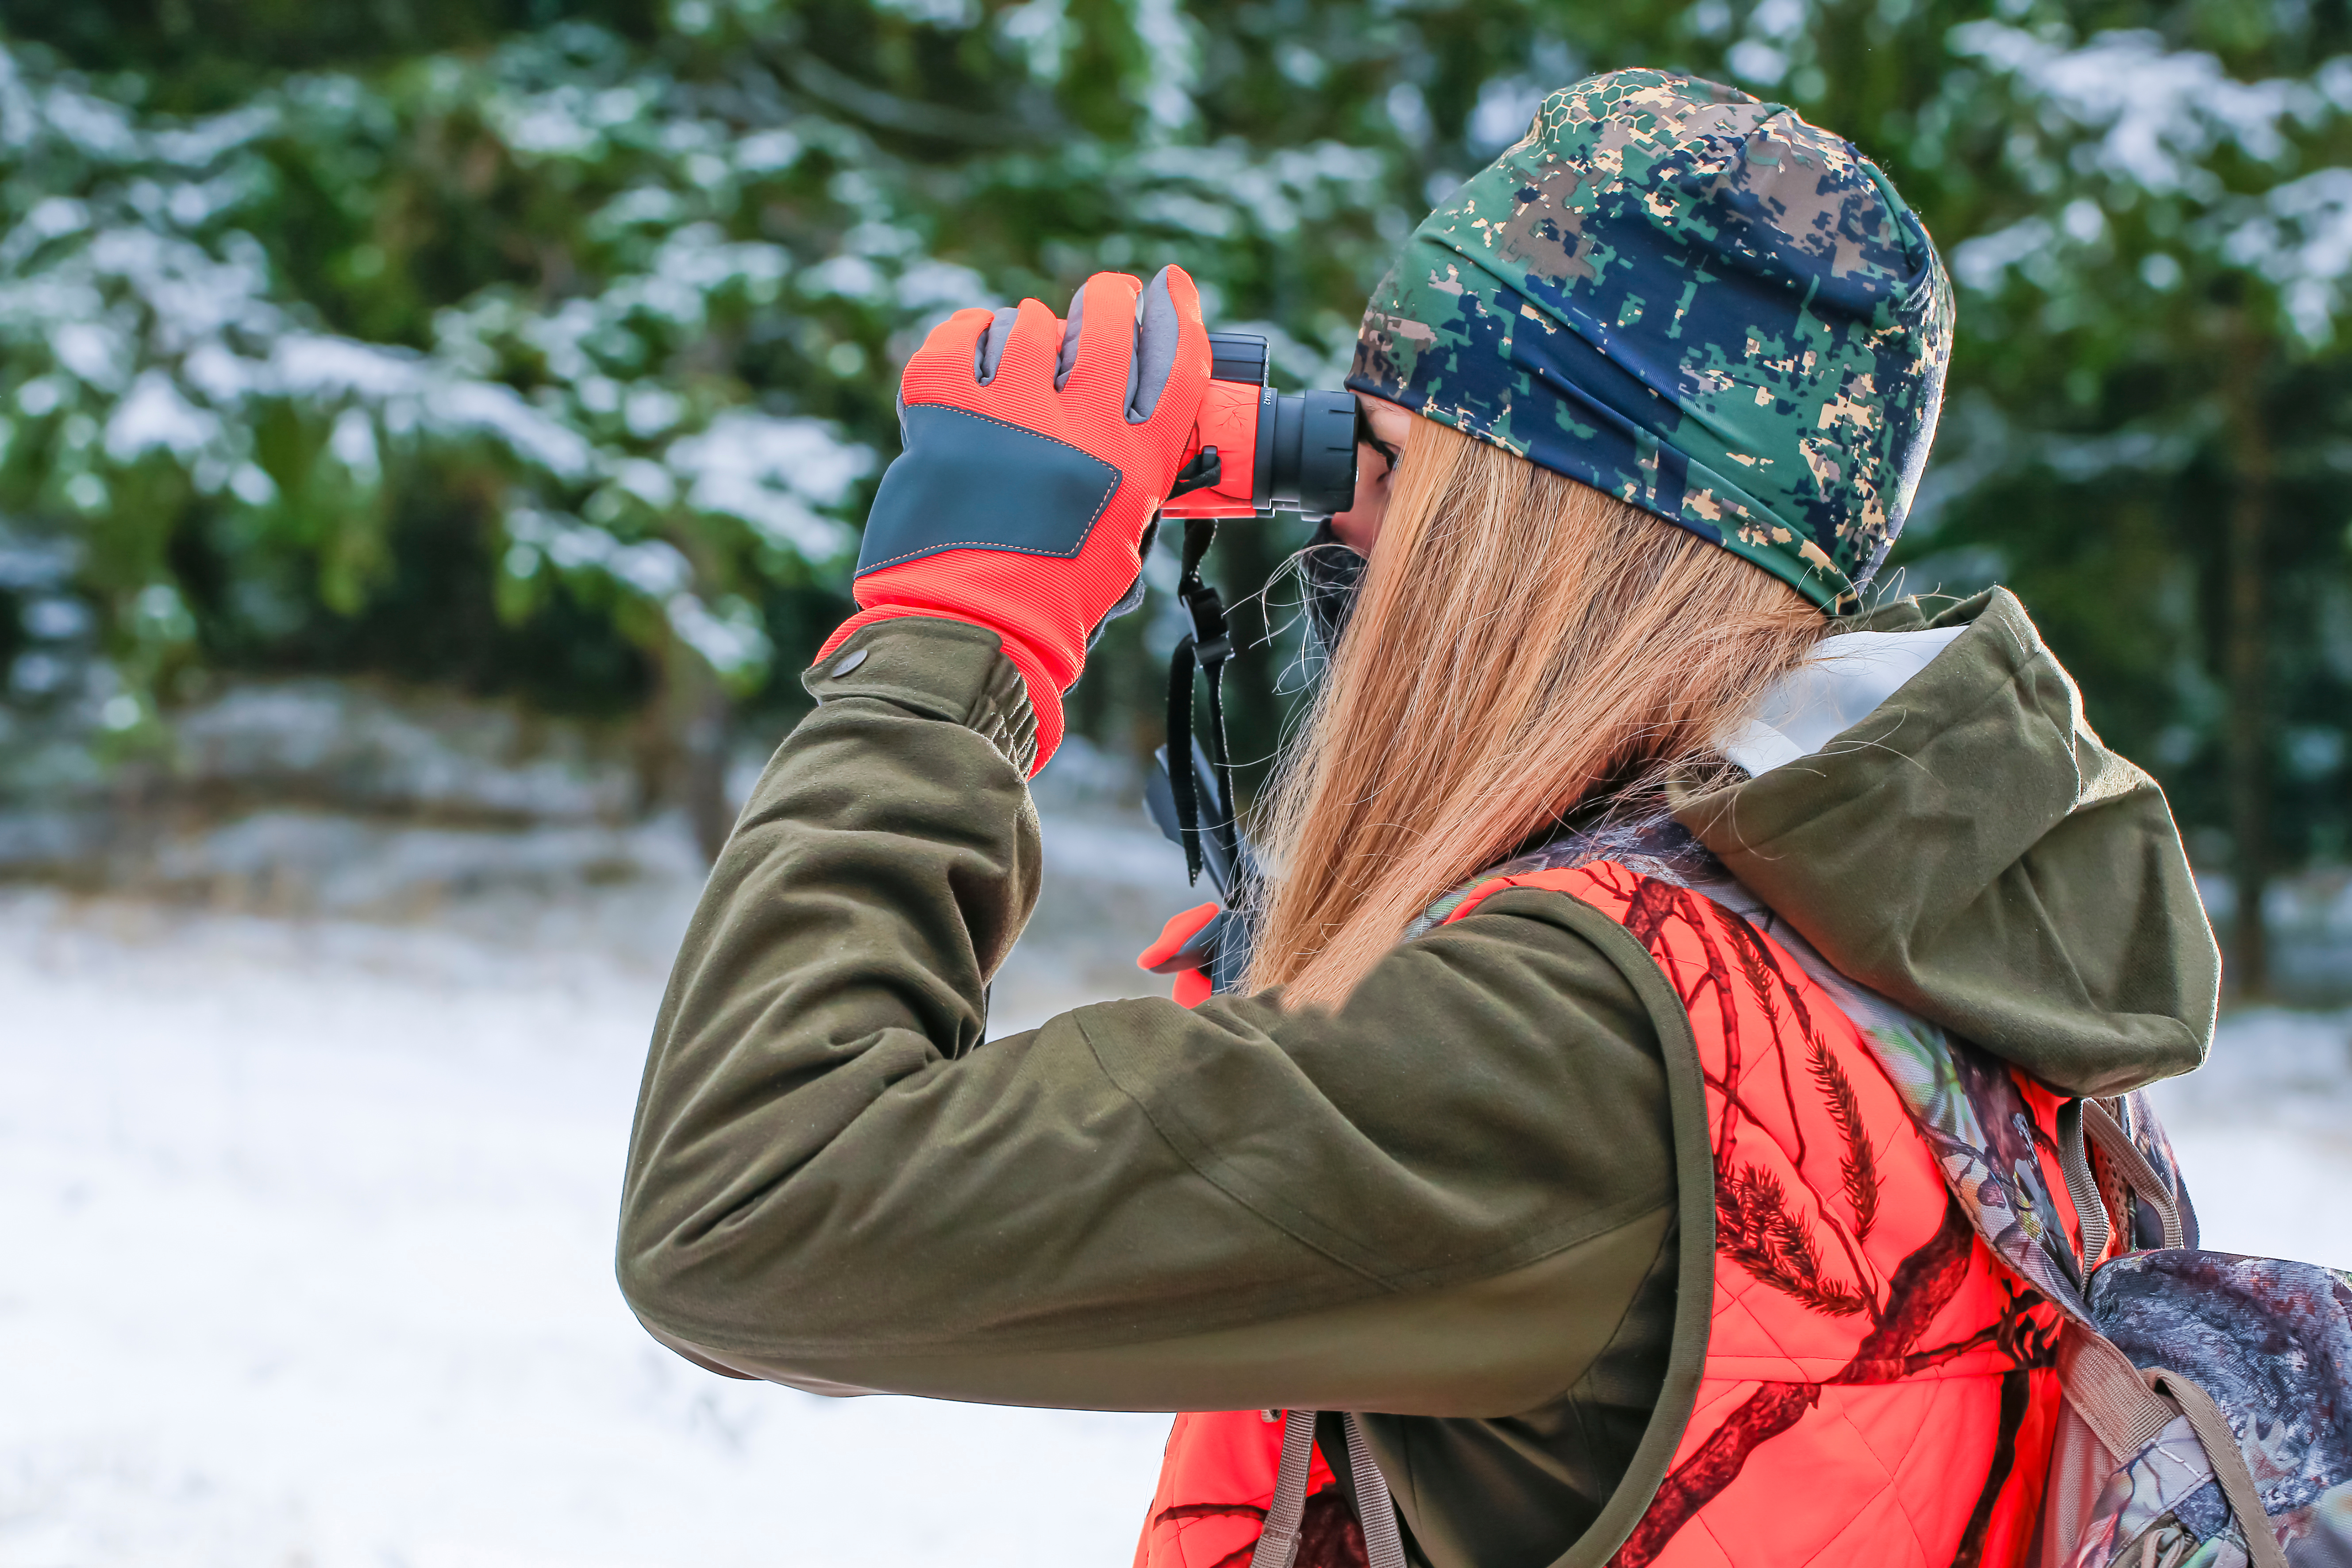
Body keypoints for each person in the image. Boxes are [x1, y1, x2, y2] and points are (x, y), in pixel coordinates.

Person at [616, 70, 2218, 1568]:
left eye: (1387, 459)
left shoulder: (1563, 1051)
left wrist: (963, 635)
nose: (1344, 520)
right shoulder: (1909, 946)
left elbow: (749, 1218)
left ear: (1527, 518)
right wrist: (1308, 1051)